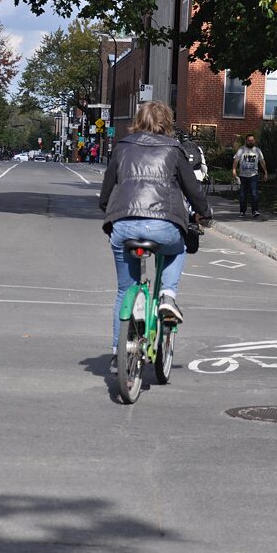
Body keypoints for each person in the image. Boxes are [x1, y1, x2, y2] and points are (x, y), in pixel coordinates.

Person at [98, 100, 211, 374]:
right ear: (167, 123)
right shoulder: (174, 150)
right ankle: (167, 297)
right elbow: (193, 189)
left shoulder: (122, 147)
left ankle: (117, 353)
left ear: (138, 120)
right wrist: (204, 213)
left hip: (123, 224)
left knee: (125, 290)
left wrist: (106, 207)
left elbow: (107, 187)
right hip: (164, 224)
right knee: (178, 246)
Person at [232, 133, 268, 218]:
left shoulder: (257, 150)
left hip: (253, 175)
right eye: (249, 141)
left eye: (252, 140)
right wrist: (234, 171)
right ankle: (242, 211)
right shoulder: (241, 150)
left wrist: (265, 172)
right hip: (243, 175)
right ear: (246, 141)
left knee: (254, 193)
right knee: (242, 194)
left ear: (254, 141)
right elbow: (236, 160)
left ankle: (255, 210)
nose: (250, 142)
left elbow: (262, 162)